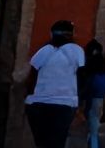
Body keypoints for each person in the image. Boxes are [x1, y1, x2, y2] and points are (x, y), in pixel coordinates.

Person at [22, 20, 85, 148]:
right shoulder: (77, 51)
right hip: (64, 105)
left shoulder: (44, 51)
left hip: (37, 105)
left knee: (42, 143)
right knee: (57, 143)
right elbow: (82, 76)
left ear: (52, 34)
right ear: (72, 34)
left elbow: (31, 77)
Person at [79, 40, 105, 148]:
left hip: (87, 98)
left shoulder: (86, 63)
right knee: (94, 128)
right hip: (100, 98)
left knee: (88, 128)